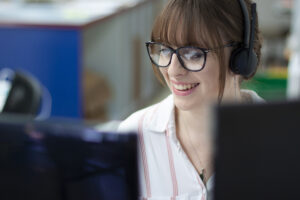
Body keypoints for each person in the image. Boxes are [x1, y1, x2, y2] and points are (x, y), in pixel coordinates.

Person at [118, 0, 264, 199]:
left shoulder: (283, 139)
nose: (172, 71)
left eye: (194, 54)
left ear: (241, 59)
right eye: (165, 51)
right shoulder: (133, 136)